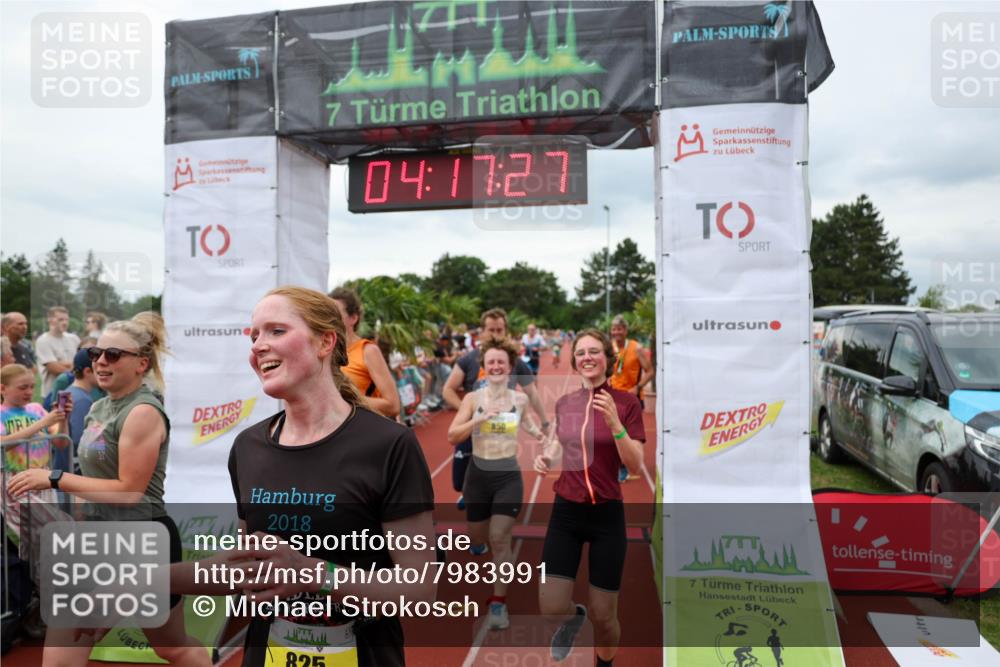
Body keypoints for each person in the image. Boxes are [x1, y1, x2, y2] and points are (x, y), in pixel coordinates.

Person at [220, 286, 436, 666]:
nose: (257, 345)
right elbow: (244, 567)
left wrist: (315, 573)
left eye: (276, 331)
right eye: (254, 335)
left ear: (325, 343)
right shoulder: (248, 447)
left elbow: (419, 590)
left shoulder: (389, 445)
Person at [7, 313, 210, 667]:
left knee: (172, 648)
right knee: (62, 653)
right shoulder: (99, 407)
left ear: (141, 364)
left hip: (142, 539)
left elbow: (129, 492)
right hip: (94, 538)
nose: (100, 361)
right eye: (96, 353)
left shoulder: (143, 411)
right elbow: (82, 465)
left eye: (113, 355)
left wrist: (54, 479)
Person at [533, 329, 645, 666]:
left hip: (606, 516)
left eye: (594, 351)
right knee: (550, 606)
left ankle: (604, 663)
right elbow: (558, 442)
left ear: (607, 359)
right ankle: (572, 618)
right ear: (575, 361)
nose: (587, 357)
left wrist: (614, 423)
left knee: (604, 616)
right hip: (565, 513)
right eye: (581, 353)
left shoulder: (626, 403)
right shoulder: (566, 402)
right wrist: (547, 457)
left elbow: (635, 463)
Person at [447, 338, 544, 630]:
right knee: (478, 537)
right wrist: (478, 421)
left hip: (508, 477)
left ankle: (499, 603)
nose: (496, 366)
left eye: (501, 362)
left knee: (500, 537)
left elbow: (525, 422)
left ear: (510, 366)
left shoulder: (520, 399)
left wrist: (541, 434)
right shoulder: (472, 400)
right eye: (491, 362)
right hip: (477, 477)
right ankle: (476, 544)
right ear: (484, 367)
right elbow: (453, 436)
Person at [443, 308, 550, 509]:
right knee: (459, 482)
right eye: (491, 330)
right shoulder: (468, 359)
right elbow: (448, 390)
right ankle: (471, 494)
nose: (495, 334)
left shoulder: (514, 362)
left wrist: (544, 422)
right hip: (473, 429)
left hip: (500, 432)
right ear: (482, 332)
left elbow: (532, 394)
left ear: (505, 331)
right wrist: (468, 412)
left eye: (499, 330)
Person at [329, 286, 401, 419]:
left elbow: (393, 405)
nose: (331, 318)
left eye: (337, 313)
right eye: (328, 313)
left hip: (366, 429)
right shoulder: (326, 353)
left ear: (353, 318)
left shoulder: (368, 351)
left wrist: (345, 398)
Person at [608, 316, 654, 483]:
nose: (616, 332)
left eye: (620, 329)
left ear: (625, 331)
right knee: (610, 433)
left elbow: (650, 371)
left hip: (631, 399)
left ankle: (624, 467)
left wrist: (638, 387)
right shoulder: (608, 348)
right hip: (612, 398)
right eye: (614, 329)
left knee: (626, 435)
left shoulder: (636, 348)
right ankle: (617, 464)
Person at [34, 306, 80, 397]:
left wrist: (61, 363)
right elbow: (54, 369)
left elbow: (83, 360)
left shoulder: (74, 339)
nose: (65, 323)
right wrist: (77, 369)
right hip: (52, 393)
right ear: (50, 320)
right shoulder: (43, 341)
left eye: (66, 319)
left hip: (74, 391)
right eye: (60, 320)